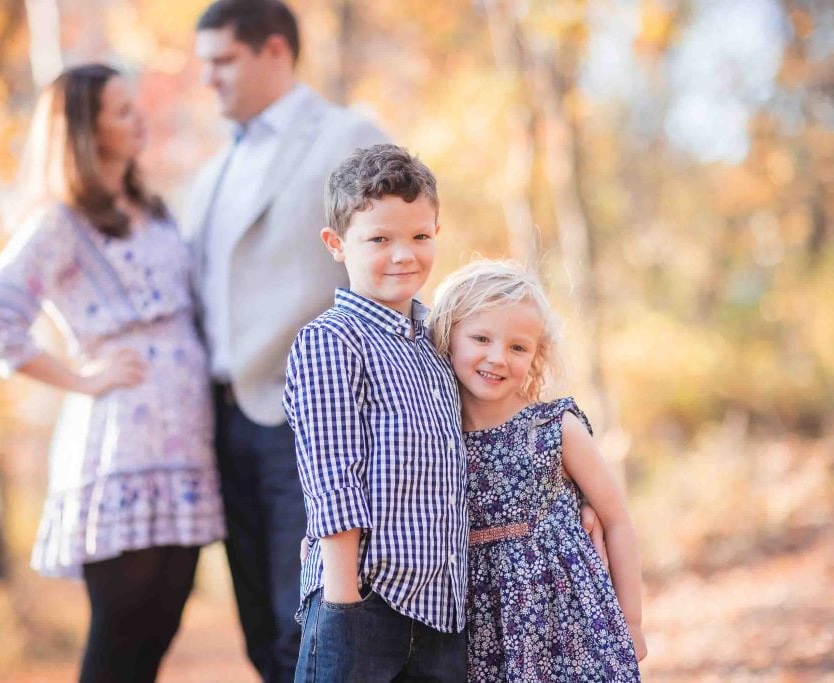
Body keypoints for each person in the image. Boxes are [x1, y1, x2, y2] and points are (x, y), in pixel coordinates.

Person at [0, 63, 225, 682]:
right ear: (84, 129)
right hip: (120, 452)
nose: (139, 119)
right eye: (121, 110)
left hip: (186, 449)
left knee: (159, 631)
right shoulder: (60, 224)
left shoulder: (155, 210)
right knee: (119, 641)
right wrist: (82, 379)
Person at [187, 1, 388, 679]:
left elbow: (396, 256)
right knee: (260, 629)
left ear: (274, 50)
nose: (207, 78)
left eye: (222, 60)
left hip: (307, 409)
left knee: (308, 618)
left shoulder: (347, 134)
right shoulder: (210, 172)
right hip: (218, 418)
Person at [283, 144, 469, 682]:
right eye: (379, 239)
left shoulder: (439, 340)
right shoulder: (332, 341)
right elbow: (333, 480)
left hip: (441, 612)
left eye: (419, 237)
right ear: (337, 245)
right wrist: (345, 605)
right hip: (364, 604)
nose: (403, 255)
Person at [428, 259, 648, 681]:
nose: (498, 357)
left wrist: (631, 620)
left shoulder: (554, 428)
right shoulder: (437, 437)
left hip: (570, 621)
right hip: (483, 628)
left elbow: (617, 520)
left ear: (536, 355)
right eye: (481, 338)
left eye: (518, 347)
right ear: (448, 336)